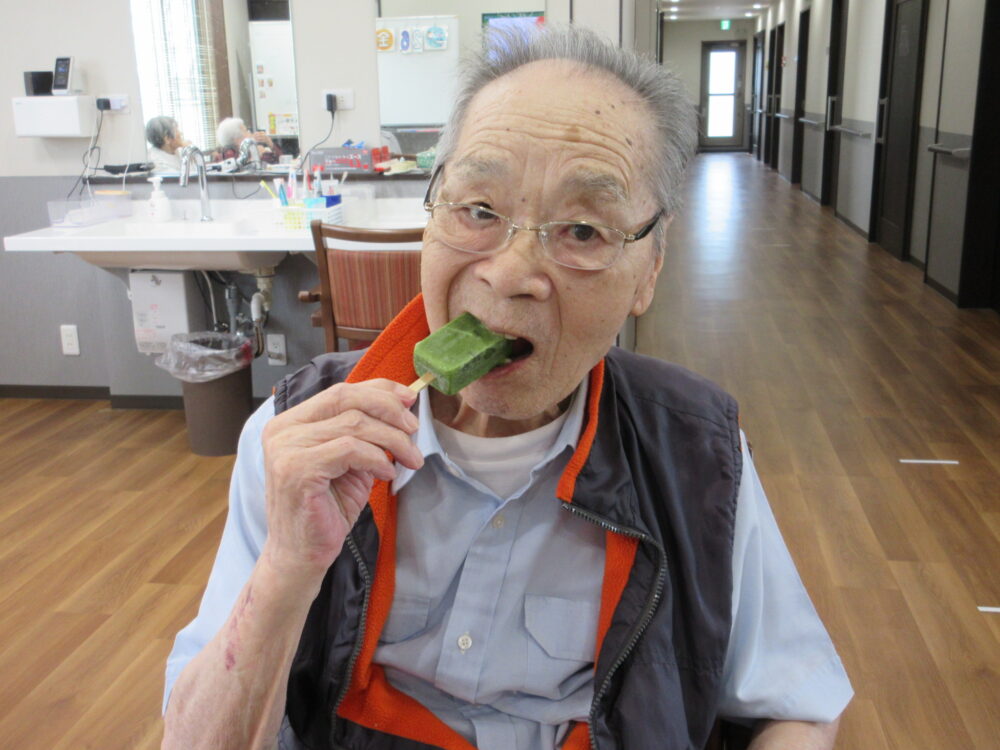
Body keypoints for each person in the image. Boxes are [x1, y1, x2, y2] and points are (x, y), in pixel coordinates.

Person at [162, 25, 852, 750]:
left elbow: (800, 705)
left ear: (650, 269)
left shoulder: (699, 457)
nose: (510, 273)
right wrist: (287, 569)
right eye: (479, 211)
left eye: (583, 230)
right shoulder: (295, 434)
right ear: (433, 213)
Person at [215, 116, 282, 165]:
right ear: (237, 139)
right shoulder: (228, 157)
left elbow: (282, 161)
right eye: (246, 131)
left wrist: (270, 143)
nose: (250, 132)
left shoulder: (253, 150)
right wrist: (260, 155)